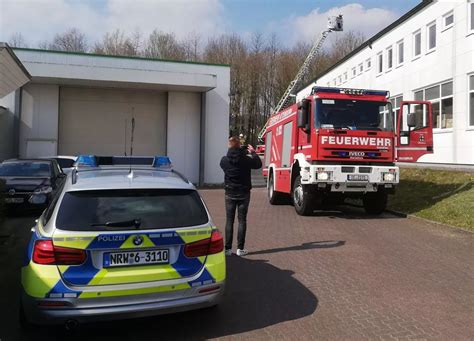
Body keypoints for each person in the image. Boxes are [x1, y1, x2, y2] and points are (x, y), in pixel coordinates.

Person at [220, 136, 262, 256]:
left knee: (229, 220)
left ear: (229, 146)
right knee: (242, 220)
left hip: (229, 193)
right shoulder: (246, 160)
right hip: (244, 193)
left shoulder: (224, 160)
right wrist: (253, 152)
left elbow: (225, 164)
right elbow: (258, 164)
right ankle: (240, 248)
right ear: (239, 146)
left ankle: (227, 249)